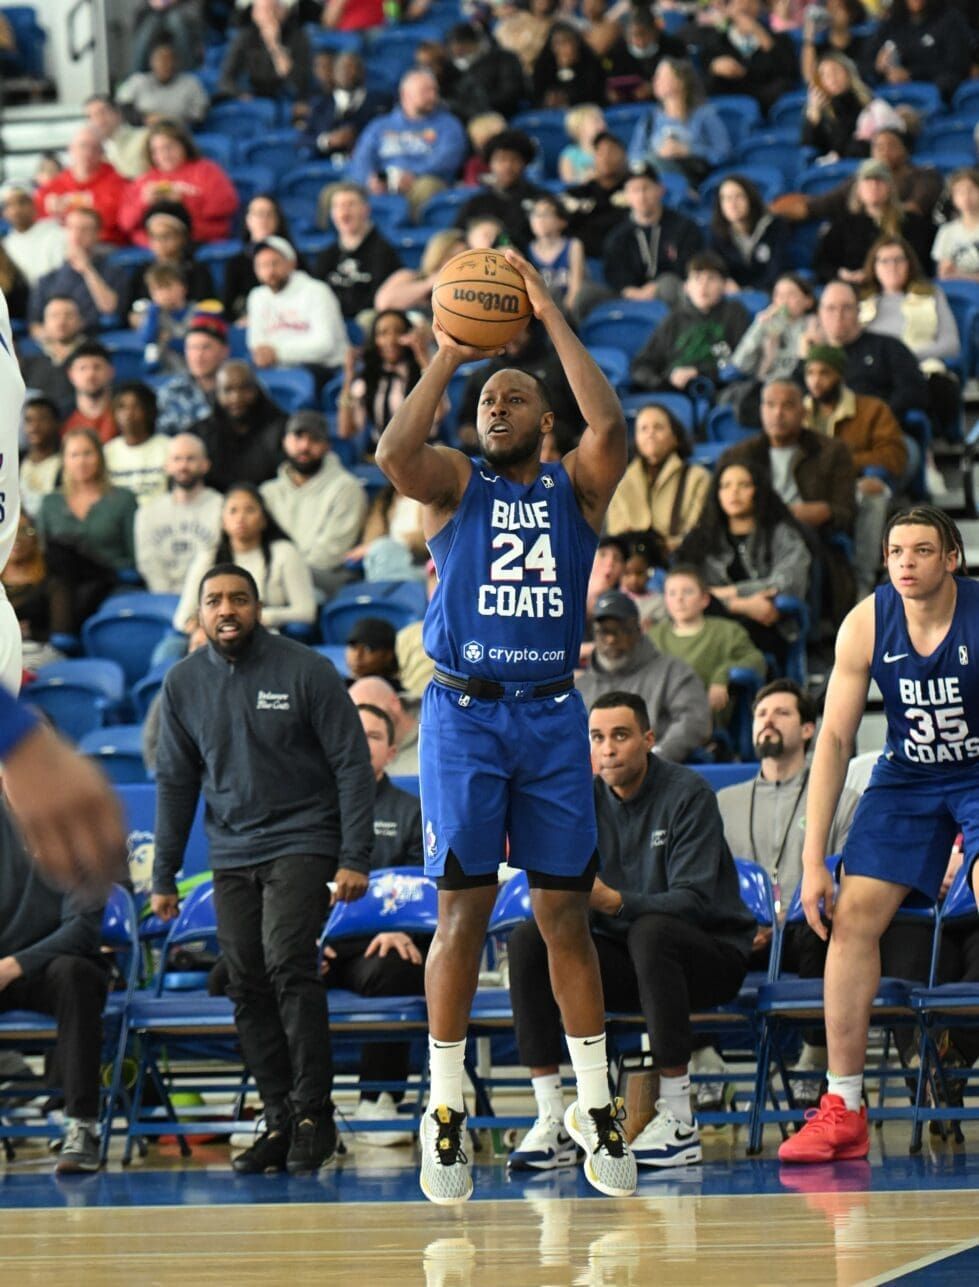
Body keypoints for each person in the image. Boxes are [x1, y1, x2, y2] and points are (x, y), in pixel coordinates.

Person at [374, 245, 638, 1202]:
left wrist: (545, 313)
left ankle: (596, 1099)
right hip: (462, 716)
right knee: (465, 910)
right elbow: (393, 455)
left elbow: (610, 422)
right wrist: (448, 351)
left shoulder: (576, 487)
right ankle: (444, 1107)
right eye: (489, 398)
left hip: (551, 717)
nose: (497, 405)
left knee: (562, 911)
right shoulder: (454, 484)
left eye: (514, 396)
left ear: (545, 422)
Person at [150, 562, 376, 1175]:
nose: (227, 610)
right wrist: (164, 874)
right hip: (230, 851)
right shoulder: (182, 683)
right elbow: (175, 783)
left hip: (303, 837)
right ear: (198, 613)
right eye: (215, 600)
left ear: (258, 608)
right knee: (244, 978)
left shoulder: (305, 669)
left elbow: (353, 766)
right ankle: (279, 1118)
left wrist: (355, 856)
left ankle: (314, 1115)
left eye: (240, 599)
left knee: (286, 961)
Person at [778, 506, 979, 1163]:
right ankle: (842, 1104)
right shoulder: (866, 621)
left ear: (951, 557)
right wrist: (813, 860)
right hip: (909, 775)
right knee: (852, 913)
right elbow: (834, 739)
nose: (905, 562)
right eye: (895, 550)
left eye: (921, 550)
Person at [507, 691, 755, 1172]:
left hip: (710, 957)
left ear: (648, 740)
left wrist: (614, 902)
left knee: (652, 931)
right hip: (628, 960)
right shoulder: (580, 802)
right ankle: (552, 1117)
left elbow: (696, 902)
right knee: (529, 940)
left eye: (620, 736)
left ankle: (679, 1118)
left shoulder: (689, 794)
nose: (608, 749)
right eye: (597, 738)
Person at [716, 679, 860, 1105]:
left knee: (825, 930)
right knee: (675, 940)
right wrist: (745, 922)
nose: (767, 722)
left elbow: (849, 876)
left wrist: (789, 915)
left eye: (781, 713)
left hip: (806, 928)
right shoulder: (725, 802)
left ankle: (815, 1058)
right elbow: (710, 880)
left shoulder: (844, 799)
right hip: (744, 933)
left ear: (808, 730)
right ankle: (703, 1064)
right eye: (761, 714)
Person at [318, 701, 426, 1145]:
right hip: (318, 945)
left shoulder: (412, 811)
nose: (361, 746)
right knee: (247, 970)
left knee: (395, 968)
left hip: (378, 947)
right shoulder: (310, 810)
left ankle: (380, 1096)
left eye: (373, 737)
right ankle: (287, 1104)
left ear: (392, 751)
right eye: (351, 734)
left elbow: (425, 889)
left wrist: (400, 925)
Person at [0, 797, 110, 1172]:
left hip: (53, 968)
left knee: (76, 975)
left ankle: (82, 1126)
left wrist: (14, 966)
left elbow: (82, 929)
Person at [674, 460, 812, 670]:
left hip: (766, 626)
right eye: (726, 486)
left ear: (758, 490)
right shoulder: (700, 540)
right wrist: (742, 605)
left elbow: (787, 583)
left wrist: (725, 592)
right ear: (717, 493)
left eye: (743, 485)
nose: (734, 492)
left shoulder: (781, 533)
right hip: (709, 626)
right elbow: (679, 588)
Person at [803, 343, 907, 600]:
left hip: (851, 488)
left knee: (873, 493)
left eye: (824, 373)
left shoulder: (872, 409)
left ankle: (863, 584)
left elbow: (893, 456)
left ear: (839, 375)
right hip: (806, 490)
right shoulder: (797, 412)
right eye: (810, 373)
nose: (815, 381)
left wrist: (844, 464)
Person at [575, 589, 712, 761]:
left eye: (620, 630)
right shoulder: (580, 687)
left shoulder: (673, 671)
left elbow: (695, 722)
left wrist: (652, 761)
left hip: (659, 776)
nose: (610, 639)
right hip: (593, 780)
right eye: (603, 631)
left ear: (638, 630)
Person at [172, 484, 316, 636]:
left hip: (265, 634)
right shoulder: (209, 557)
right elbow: (182, 618)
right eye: (233, 511)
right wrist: (200, 630)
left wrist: (260, 616)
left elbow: (307, 611)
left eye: (250, 510)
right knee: (170, 651)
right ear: (223, 522)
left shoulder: (285, 552)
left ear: (264, 519)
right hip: (213, 636)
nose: (240, 518)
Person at [859, 235, 962, 436]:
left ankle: (926, 451)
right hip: (875, 373)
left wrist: (906, 358)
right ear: (874, 266)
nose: (892, 266)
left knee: (937, 386)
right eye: (884, 261)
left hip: (921, 368)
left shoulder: (932, 294)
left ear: (909, 264)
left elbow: (951, 344)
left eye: (899, 259)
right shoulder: (861, 302)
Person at [36, 428, 138, 629]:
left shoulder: (124, 499)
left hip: (108, 577)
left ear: (100, 457)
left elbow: (133, 555)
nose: (81, 461)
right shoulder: (50, 503)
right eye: (74, 455)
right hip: (64, 583)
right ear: (64, 460)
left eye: (88, 454)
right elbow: (41, 555)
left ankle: (64, 636)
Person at [260, 410, 368, 595]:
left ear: (327, 446)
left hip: (322, 578)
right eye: (298, 437)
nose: (304, 446)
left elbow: (331, 553)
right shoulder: (268, 492)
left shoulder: (347, 488)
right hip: (272, 577)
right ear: (285, 442)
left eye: (314, 439)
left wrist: (287, 574)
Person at [649, 565, 766, 722]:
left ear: (704, 599)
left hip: (699, 719)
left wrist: (722, 674)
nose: (679, 599)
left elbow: (757, 660)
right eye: (672, 593)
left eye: (688, 592)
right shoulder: (654, 636)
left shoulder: (727, 631)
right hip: (654, 715)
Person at [803, 279, 929, 424]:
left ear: (858, 311)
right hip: (823, 435)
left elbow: (914, 391)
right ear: (820, 313)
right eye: (831, 308)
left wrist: (877, 418)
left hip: (880, 432)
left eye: (847, 308)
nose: (838, 315)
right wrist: (804, 359)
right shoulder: (813, 356)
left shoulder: (888, 347)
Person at [347, 69, 467, 219]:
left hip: (423, 181)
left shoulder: (449, 124)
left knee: (426, 187)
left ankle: (409, 235)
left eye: (434, 90)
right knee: (336, 192)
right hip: (383, 182)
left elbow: (447, 160)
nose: (432, 96)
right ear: (405, 95)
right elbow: (362, 158)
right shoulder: (379, 126)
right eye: (425, 91)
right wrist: (369, 179)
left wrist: (411, 175)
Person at [630, 251, 751, 394]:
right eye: (697, 278)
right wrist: (667, 380)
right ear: (686, 286)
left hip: (721, 390)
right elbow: (641, 365)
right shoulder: (673, 319)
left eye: (711, 279)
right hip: (675, 391)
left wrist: (698, 372)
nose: (703, 286)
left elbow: (743, 362)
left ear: (724, 285)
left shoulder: (734, 312)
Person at [605, 402, 710, 551]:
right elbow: (616, 532)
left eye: (658, 427)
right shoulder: (620, 480)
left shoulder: (698, 477)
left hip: (681, 558)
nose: (650, 433)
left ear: (676, 438)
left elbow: (698, 531)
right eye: (643, 429)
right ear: (635, 439)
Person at [813, 159, 933, 287]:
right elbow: (822, 265)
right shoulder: (842, 225)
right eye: (868, 181)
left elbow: (922, 263)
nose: (874, 185)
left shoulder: (912, 223)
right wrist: (843, 274)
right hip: (855, 291)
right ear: (858, 189)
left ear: (890, 188)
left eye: (880, 180)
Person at [600, 161, 703, 309]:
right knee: (587, 295)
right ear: (627, 196)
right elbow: (614, 275)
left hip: (672, 292)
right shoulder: (617, 237)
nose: (641, 196)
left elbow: (690, 267)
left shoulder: (684, 227)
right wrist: (630, 291)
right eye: (635, 190)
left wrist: (655, 287)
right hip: (628, 297)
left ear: (660, 190)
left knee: (669, 284)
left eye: (646, 188)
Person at [117, 121, 238, 247]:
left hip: (199, 240)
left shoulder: (206, 170)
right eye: (156, 150)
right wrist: (144, 203)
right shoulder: (144, 180)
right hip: (154, 247)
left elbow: (226, 206)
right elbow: (126, 223)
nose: (163, 154)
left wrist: (184, 201)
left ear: (183, 145)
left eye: (169, 147)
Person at [246, 236, 348, 380]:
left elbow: (325, 345)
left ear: (291, 263)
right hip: (277, 368)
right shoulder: (256, 297)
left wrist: (277, 353)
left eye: (275, 263)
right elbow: (257, 344)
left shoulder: (316, 291)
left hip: (322, 369)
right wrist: (269, 354)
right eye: (262, 265)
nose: (269, 271)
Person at [134, 432, 223, 593]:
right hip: (162, 598)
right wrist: (166, 598)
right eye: (177, 459)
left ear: (205, 465)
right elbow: (148, 564)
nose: (183, 466)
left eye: (190, 459)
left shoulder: (222, 507)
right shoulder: (147, 513)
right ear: (166, 466)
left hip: (211, 596)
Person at [627, 58, 731, 189]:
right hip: (655, 181)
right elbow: (634, 156)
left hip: (694, 177)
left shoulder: (704, 115)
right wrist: (659, 154)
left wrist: (688, 150)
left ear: (681, 81)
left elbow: (723, 153)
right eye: (655, 76)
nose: (655, 81)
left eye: (662, 76)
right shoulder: (649, 119)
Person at [28, 208, 127, 337]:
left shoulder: (114, 272)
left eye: (85, 229)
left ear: (97, 234)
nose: (77, 235)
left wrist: (87, 269)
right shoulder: (48, 279)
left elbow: (110, 309)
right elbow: (34, 325)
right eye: (72, 228)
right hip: (55, 344)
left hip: (94, 340)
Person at [312, 184, 402, 325]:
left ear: (366, 210)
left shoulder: (383, 252)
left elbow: (379, 300)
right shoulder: (327, 254)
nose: (344, 212)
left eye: (350, 205)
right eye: (338, 206)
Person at [192, 360, 286, 491]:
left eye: (245, 388)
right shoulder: (199, 433)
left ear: (257, 390)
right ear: (217, 394)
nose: (236, 398)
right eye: (227, 390)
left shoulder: (283, 428)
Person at [862, 0, 972, 105]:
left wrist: (910, 74)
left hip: (936, 93)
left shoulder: (949, 19)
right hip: (892, 96)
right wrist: (877, 66)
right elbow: (864, 65)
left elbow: (956, 65)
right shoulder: (892, 22)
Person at [34, 127, 128, 245]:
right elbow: (37, 216)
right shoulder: (56, 184)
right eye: (83, 146)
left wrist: (68, 208)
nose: (88, 153)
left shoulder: (116, 181)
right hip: (62, 244)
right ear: (71, 149)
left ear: (102, 153)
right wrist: (52, 212)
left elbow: (115, 218)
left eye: (94, 148)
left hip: (104, 244)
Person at [457, 129, 543, 252]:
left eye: (514, 159)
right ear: (490, 163)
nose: (507, 165)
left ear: (525, 163)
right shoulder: (476, 203)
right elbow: (457, 236)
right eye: (501, 159)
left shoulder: (539, 199)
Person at [708, 175, 789, 294]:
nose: (733, 204)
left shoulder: (774, 226)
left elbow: (778, 269)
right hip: (732, 297)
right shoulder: (716, 233)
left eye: (738, 197)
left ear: (750, 198)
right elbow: (716, 269)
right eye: (726, 198)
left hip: (769, 293)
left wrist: (750, 292)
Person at [218, 0, 312, 101]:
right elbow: (226, 79)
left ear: (283, 12)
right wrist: (240, 94)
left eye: (273, 9)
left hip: (284, 99)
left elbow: (298, 83)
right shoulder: (244, 37)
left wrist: (274, 45)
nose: (269, 16)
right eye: (264, 10)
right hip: (252, 98)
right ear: (254, 14)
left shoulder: (298, 37)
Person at [156, 312, 230, 436]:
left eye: (206, 347)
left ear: (224, 351)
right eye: (192, 347)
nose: (198, 355)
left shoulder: (241, 388)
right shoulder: (171, 392)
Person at [563, 131, 630, 260]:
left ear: (624, 156)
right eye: (600, 152)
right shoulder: (577, 194)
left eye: (611, 152)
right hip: (582, 263)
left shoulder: (636, 190)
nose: (605, 157)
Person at [115, 37, 210, 127]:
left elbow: (199, 115)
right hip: (142, 130)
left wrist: (169, 121)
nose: (164, 64)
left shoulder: (191, 83)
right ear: (151, 62)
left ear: (176, 62)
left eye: (168, 59)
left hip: (177, 132)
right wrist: (143, 119)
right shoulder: (138, 80)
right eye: (159, 59)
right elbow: (123, 106)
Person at [103, 381, 170, 502]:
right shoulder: (107, 452)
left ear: (149, 411)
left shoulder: (169, 447)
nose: (128, 413)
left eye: (136, 406)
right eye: (122, 407)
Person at [19, 297, 84, 418]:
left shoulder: (92, 355)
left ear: (81, 321)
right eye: (55, 316)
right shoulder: (30, 358)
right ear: (44, 323)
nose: (61, 321)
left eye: (68, 315)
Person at [527, 194, 585, 318]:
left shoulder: (573, 245)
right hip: (539, 311)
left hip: (568, 309)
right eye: (536, 215)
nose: (540, 219)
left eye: (546, 214)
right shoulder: (527, 249)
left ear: (562, 221)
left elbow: (576, 288)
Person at [531, 21, 608, 109]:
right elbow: (537, 97)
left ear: (576, 43)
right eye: (556, 43)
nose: (561, 49)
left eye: (565, 42)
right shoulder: (544, 66)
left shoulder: (591, 64)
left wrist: (568, 98)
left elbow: (595, 96)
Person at [83, 94, 148, 181]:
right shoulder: (98, 150)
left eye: (102, 112)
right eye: (91, 116)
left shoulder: (145, 137)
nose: (98, 120)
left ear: (118, 113)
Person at [62, 341, 117, 444]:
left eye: (97, 367)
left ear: (111, 372)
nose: (90, 375)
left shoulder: (124, 413)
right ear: (71, 375)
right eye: (83, 368)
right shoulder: (61, 418)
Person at [19, 398, 64, 519]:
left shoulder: (66, 463)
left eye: (42, 419)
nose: (34, 426)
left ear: (57, 423)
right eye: (29, 420)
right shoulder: (15, 461)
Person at [934, 168, 979, 286]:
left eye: (971, 190)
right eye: (959, 192)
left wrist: (960, 275)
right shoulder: (946, 231)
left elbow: (954, 275)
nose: (966, 197)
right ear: (953, 198)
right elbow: (944, 274)